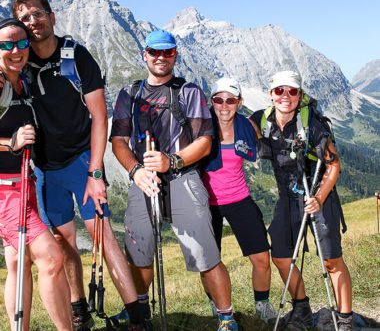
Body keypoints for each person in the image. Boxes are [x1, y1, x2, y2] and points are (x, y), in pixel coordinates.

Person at [12, 0, 148, 331]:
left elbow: (100, 117)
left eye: (38, 14)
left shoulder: (77, 56)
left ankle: (137, 318)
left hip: (82, 161)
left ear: (52, 16)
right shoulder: (20, 62)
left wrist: (96, 172)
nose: (33, 22)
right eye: (25, 18)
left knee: (102, 236)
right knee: (62, 241)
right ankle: (79, 311)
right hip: (44, 169)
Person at [111, 29, 238, 330]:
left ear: (175, 56)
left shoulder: (189, 92)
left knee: (205, 255)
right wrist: (135, 171)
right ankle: (138, 312)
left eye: (167, 52)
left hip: (183, 177)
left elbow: (205, 141)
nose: (160, 57)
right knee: (139, 252)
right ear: (145, 55)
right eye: (154, 52)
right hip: (143, 179)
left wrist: (173, 160)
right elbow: (118, 141)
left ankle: (227, 318)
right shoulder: (129, 94)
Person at [250, 71, 353, 331]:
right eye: (280, 91)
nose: (286, 96)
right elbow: (232, 129)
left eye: (292, 91)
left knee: (331, 260)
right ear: (271, 94)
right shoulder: (261, 120)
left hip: (318, 195)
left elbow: (333, 163)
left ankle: (345, 319)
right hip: (287, 196)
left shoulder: (311, 125)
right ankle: (302, 307)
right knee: (282, 257)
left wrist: (319, 198)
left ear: (300, 95)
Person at [0, 18, 73, 330]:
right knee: (52, 258)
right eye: (6, 44)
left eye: (21, 43)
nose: (16, 50)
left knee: (17, 262)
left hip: (24, 183)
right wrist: (10, 142)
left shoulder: (21, 79)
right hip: (5, 191)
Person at [200, 77, 276, 324]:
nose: (224, 105)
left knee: (262, 258)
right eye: (218, 99)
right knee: (208, 261)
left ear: (239, 102)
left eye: (230, 100)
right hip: (205, 203)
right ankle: (215, 301)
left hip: (239, 198)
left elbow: (270, 145)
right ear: (211, 102)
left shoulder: (247, 126)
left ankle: (262, 303)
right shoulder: (200, 125)